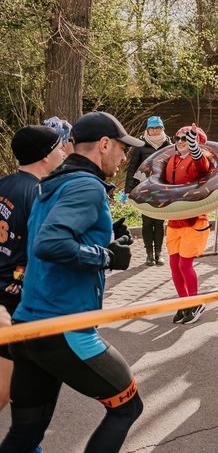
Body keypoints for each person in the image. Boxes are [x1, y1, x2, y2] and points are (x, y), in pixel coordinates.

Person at [1, 112, 143, 452]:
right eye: (122, 149)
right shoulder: (86, 185)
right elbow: (49, 244)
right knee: (128, 408)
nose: (124, 159)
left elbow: (49, 239)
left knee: (25, 435)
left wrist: (106, 239)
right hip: (64, 327)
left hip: (28, 328)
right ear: (104, 145)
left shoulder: (50, 184)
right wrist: (107, 256)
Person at [0, 126, 67, 409]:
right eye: (60, 148)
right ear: (45, 156)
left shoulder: (4, 183)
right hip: (16, 299)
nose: (64, 152)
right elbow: (47, 249)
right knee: (7, 390)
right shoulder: (40, 194)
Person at [164, 125, 215, 325]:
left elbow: (200, 164)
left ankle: (195, 302)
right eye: (178, 138)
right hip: (175, 221)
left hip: (194, 219)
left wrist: (194, 145)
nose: (181, 142)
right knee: (174, 265)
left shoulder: (200, 161)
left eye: (186, 139)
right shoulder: (172, 160)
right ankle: (183, 302)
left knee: (185, 264)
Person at [125, 116, 171, 266]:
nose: (155, 130)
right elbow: (132, 168)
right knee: (147, 222)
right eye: (152, 128)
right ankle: (149, 254)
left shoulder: (168, 144)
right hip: (144, 189)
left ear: (162, 129)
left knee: (159, 222)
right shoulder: (140, 145)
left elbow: (172, 168)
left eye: (158, 128)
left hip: (162, 189)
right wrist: (128, 189)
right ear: (147, 129)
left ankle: (159, 253)